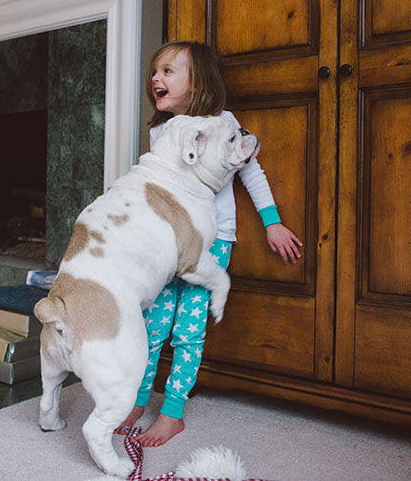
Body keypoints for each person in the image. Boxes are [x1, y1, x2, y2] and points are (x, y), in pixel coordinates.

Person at [115, 41, 303, 447]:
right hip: (170, 244)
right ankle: (136, 400)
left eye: (168, 71)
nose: (156, 78)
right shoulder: (161, 132)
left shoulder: (225, 123)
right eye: (155, 72)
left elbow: (252, 175)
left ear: (197, 82)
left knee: (188, 328)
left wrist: (272, 223)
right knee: (152, 326)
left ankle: (173, 412)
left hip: (213, 243)